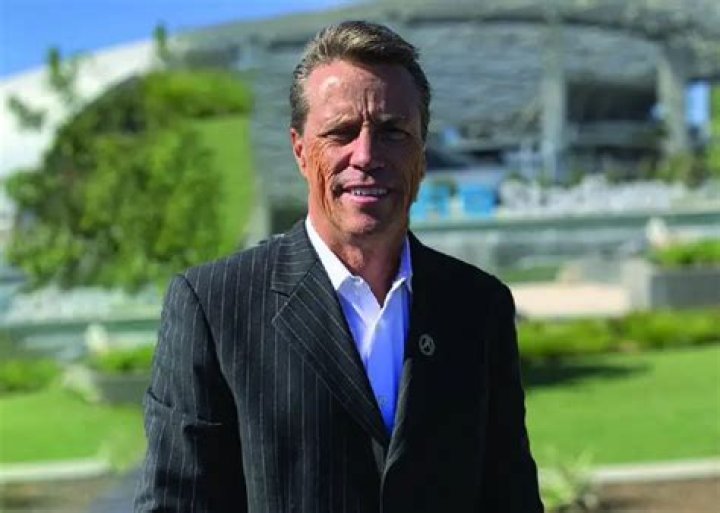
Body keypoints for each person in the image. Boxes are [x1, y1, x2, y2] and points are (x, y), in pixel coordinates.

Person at [135, 20, 543, 513]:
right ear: (300, 150)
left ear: (422, 153)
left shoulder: (478, 306)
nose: (366, 155)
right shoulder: (215, 307)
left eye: (392, 132)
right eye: (341, 132)